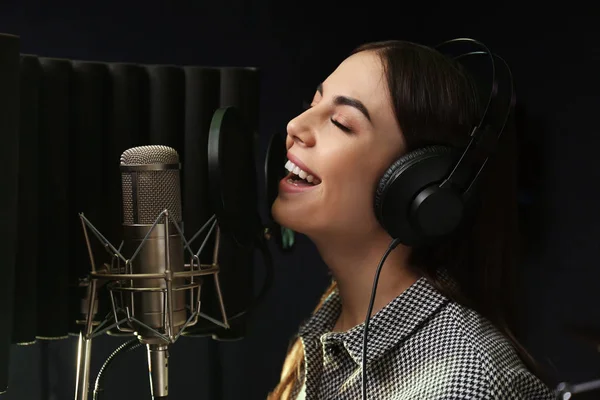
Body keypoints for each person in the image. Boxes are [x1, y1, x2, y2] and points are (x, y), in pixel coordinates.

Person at [267, 39, 554, 400]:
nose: (295, 125)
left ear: (417, 185)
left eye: (340, 123)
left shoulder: (463, 386)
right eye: (312, 103)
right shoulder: (333, 321)